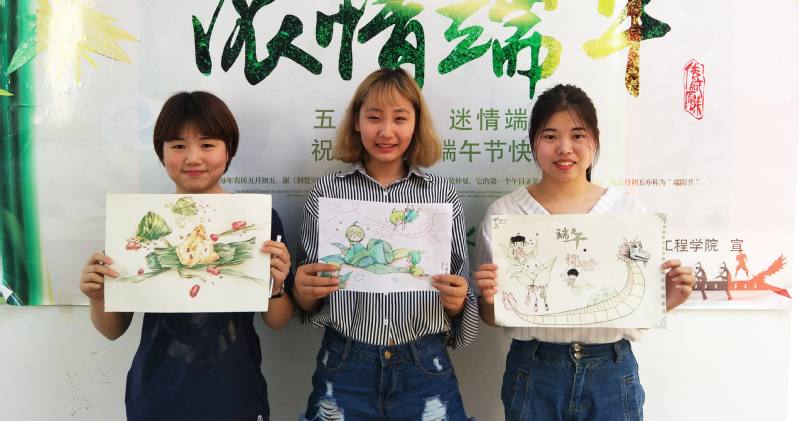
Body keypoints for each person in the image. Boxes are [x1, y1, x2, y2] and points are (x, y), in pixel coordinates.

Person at [474, 84, 696, 421]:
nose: (564, 148)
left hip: (612, 373)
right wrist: (490, 300)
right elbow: (491, 317)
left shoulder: (628, 212)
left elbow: (638, 307)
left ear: (595, 140)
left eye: (577, 135)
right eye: (550, 136)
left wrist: (666, 298)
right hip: (534, 372)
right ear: (533, 141)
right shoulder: (505, 214)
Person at [79, 91, 293, 421]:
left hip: (236, 397)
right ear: (161, 153)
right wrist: (97, 296)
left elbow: (277, 322)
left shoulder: (260, 221)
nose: (193, 158)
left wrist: (276, 286)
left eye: (207, 144)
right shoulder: (140, 222)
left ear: (228, 150)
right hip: (156, 399)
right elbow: (113, 330)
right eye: (178, 146)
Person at [292, 68, 479, 420]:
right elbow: (307, 301)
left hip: (424, 365)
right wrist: (303, 291)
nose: (386, 131)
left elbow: (459, 289)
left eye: (400, 118)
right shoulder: (328, 192)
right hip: (345, 364)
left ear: (416, 123)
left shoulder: (441, 194)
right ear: (357, 121)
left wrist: (457, 302)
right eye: (374, 117)